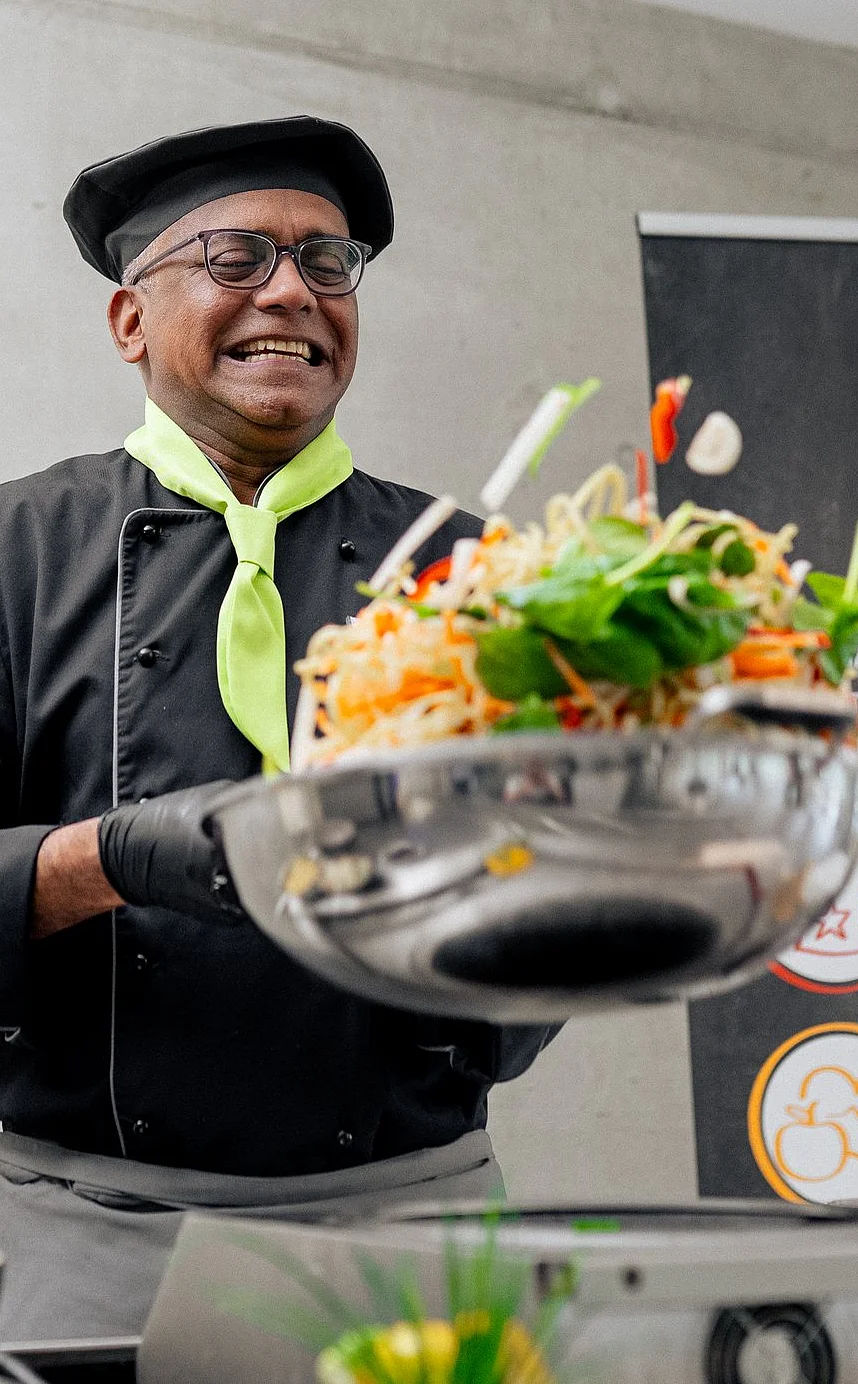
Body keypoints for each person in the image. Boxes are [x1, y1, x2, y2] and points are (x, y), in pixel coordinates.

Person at [0, 115, 556, 1343]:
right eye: (237, 256)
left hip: (424, 1226)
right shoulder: (17, 553)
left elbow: (550, 886)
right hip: (90, 1230)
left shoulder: (474, 568)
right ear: (130, 321)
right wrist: (111, 858)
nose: (295, 290)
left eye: (327, 260)